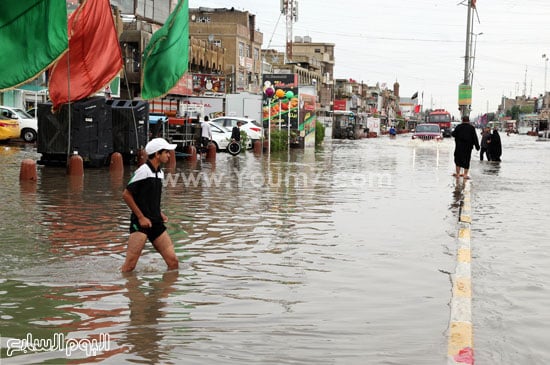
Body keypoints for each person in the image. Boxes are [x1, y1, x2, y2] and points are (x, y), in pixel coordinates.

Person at [121, 138, 179, 273]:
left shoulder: (160, 173)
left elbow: (151, 197)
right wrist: (141, 217)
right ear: (157, 154)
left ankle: (158, 293)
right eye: (166, 152)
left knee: (173, 263)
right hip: (140, 224)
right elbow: (126, 194)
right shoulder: (143, 171)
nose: (169, 155)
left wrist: (159, 212)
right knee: (129, 267)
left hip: (156, 222)